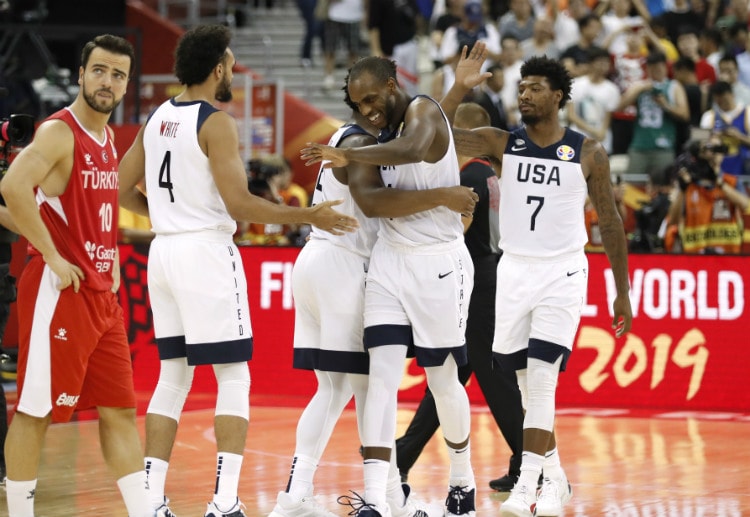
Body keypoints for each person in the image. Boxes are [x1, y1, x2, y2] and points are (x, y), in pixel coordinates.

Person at [117, 24, 359, 517]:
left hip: (163, 253)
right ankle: (224, 502)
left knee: (172, 377)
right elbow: (241, 204)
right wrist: (308, 216)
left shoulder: (156, 116)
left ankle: (151, 501)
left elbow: (121, 188)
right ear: (216, 69)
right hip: (205, 251)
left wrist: (167, 216)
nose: (231, 70)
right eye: (229, 63)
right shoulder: (216, 123)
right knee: (233, 376)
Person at [440, 43, 633, 517]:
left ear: (559, 96)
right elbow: (431, 138)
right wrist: (459, 87)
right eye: (522, 87)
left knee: (543, 378)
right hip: (514, 270)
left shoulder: (588, 152)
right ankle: (556, 477)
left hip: (562, 271)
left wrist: (622, 292)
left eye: (535, 88)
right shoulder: (501, 142)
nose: (524, 94)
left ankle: (528, 485)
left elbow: (610, 223)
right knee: (526, 385)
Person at [269, 85, 476, 517]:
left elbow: (423, 131)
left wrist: (458, 88)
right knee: (370, 389)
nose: (372, 111)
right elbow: (373, 201)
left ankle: (297, 493)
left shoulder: (348, 137)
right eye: (365, 103)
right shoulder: (362, 143)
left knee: (335, 388)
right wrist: (442, 196)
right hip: (347, 265)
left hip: (315, 260)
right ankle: (388, 499)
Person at [0, 34, 158, 517]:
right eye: (100, 71)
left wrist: (110, 259)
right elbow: (12, 187)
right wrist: (50, 254)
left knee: (120, 410)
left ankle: (143, 511)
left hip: (100, 296)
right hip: (60, 291)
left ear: (126, 84)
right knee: (36, 411)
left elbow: (94, 215)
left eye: (118, 75)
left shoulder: (108, 139)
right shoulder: (58, 132)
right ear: (82, 74)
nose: (107, 81)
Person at [393, 102, 525, 493]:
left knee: (492, 377)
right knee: (449, 375)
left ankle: (532, 462)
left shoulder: (469, 176)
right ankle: (403, 456)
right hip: (490, 271)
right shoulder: (492, 174)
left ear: (464, 133)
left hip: (476, 279)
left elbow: (454, 229)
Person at [667, 137, 750, 254]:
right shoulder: (688, 185)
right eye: (707, 150)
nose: (713, 154)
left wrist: (719, 183)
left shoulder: (732, 182)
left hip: (728, 257)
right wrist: (682, 189)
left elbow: (745, 205)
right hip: (695, 258)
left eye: (716, 149)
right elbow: (673, 220)